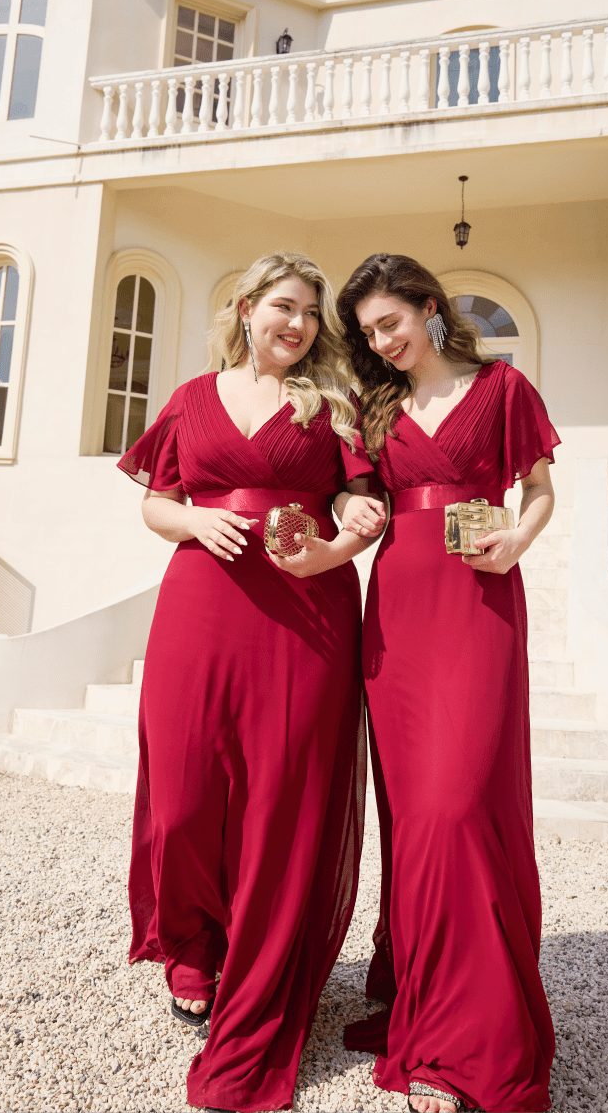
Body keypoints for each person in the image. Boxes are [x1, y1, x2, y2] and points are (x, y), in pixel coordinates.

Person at [118, 252, 375, 1113]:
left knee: (281, 798)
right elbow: (155, 501)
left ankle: (261, 967)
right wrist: (195, 516)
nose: (297, 324)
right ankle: (192, 938)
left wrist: (340, 541)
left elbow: (360, 508)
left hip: (308, 616)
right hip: (200, 602)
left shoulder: (330, 402)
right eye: (283, 306)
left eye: (309, 312)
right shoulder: (192, 398)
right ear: (246, 307)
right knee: (184, 788)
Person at [335, 254, 559, 1113]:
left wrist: (518, 540)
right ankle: (422, 999)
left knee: (463, 804)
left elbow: (538, 491)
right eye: (368, 334)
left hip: (479, 600)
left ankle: (478, 1034)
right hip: (396, 612)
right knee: (416, 817)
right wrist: (349, 514)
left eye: (391, 322)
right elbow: (357, 503)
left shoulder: (504, 390)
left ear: (429, 309)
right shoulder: (374, 405)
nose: (383, 342)